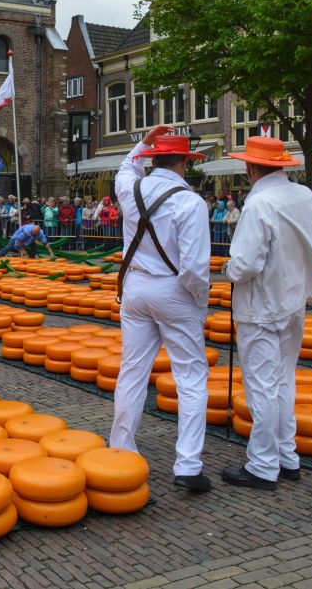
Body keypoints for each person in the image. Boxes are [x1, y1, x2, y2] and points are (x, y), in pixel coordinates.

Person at [221, 136, 312, 490]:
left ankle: (263, 465)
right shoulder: (303, 195)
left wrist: (228, 269)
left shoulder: (259, 203)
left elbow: (246, 264)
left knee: (262, 386)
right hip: (293, 300)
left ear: (251, 167)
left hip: (261, 307)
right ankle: (286, 455)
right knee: (284, 380)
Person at [109, 125, 212, 493]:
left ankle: (121, 448)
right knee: (191, 377)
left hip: (135, 287)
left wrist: (143, 142)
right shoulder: (191, 203)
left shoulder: (131, 189)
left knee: (132, 371)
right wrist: (199, 302)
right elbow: (195, 268)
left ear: (153, 160)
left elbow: (126, 167)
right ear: (184, 162)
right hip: (174, 290)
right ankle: (188, 464)